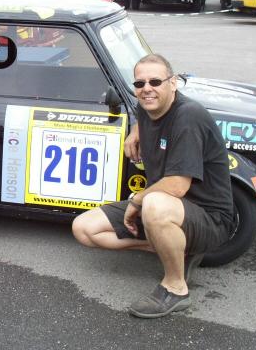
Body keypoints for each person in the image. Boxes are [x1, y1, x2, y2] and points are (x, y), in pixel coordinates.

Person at [71, 54, 234, 319]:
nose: (147, 89)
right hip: (167, 208)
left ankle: (176, 288)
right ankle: (176, 248)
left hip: (209, 217)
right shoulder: (147, 107)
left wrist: (136, 201)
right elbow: (142, 112)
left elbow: (177, 186)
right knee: (84, 229)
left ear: (173, 83)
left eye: (155, 82)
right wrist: (135, 131)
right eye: (140, 83)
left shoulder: (188, 116)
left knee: (153, 203)